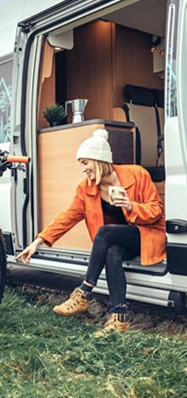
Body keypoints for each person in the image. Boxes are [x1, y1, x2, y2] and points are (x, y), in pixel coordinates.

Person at [15, 129, 166, 333]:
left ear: (99, 160)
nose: (83, 169)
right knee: (112, 252)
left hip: (147, 235)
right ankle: (120, 318)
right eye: (81, 164)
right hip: (120, 240)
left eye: (85, 163)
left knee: (104, 232)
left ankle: (84, 292)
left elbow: (157, 211)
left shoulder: (137, 174)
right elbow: (67, 217)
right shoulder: (86, 189)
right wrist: (38, 241)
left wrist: (131, 206)